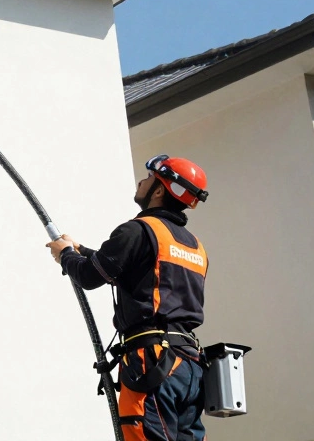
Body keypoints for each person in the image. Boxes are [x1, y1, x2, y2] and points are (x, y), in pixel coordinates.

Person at [45, 155, 210, 441]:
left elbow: (89, 277)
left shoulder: (137, 230)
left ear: (159, 190)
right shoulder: (195, 247)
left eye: (148, 178)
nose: (141, 181)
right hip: (190, 367)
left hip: (153, 361)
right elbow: (133, 271)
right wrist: (80, 249)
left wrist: (65, 256)